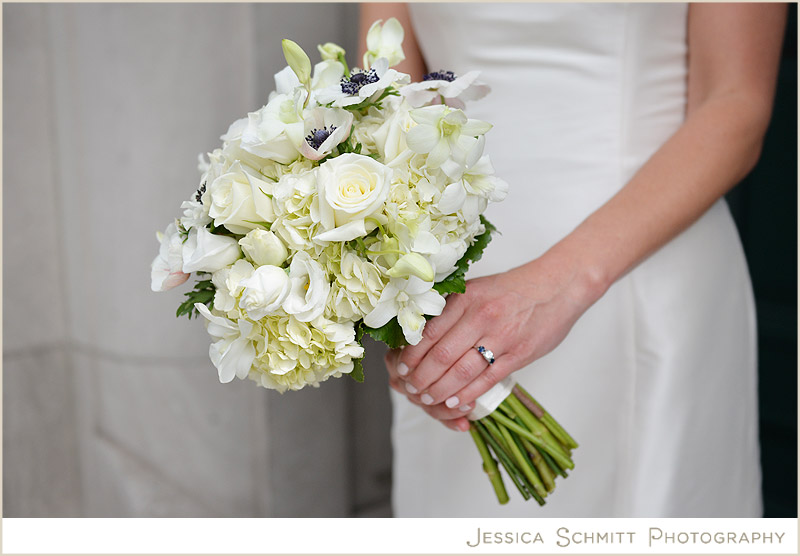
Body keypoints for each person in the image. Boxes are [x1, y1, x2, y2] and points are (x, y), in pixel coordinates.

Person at [359, 3, 787, 517]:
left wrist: (554, 286)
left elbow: (735, 103)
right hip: (453, 280)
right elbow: (386, 91)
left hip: (636, 260)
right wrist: (388, 276)